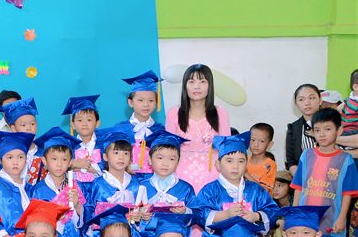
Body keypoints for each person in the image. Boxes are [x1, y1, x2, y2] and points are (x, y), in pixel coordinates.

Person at [291, 108, 358, 237]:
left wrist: (341, 218)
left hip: (332, 221)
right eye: (317, 130)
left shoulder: (346, 159)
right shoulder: (307, 155)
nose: (322, 134)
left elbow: (347, 193)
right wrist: (294, 215)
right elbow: (298, 187)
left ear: (339, 130)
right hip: (307, 221)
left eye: (327, 129)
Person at [191, 132, 279, 237]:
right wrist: (225, 215)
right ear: (218, 164)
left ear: (246, 164)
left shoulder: (256, 190)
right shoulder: (210, 190)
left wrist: (256, 216)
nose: (235, 166)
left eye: (241, 161)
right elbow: (198, 213)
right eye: (229, 161)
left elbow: (273, 211)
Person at [81, 124, 141, 237]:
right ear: (105, 156)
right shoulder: (98, 184)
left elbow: (142, 212)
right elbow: (88, 212)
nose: (121, 157)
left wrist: (139, 217)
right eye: (116, 153)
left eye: (126, 153)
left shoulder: (136, 184)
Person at [165, 64, 231, 193]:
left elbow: (225, 149)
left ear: (210, 85)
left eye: (202, 81)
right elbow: (168, 149)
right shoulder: (174, 113)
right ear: (185, 86)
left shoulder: (221, 113)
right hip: (180, 174)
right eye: (191, 81)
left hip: (213, 174)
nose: (197, 86)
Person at [132, 131, 195, 237]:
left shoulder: (185, 188)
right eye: (160, 158)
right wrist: (140, 216)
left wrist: (185, 211)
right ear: (149, 160)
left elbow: (197, 216)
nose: (165, 163)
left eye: (172, 159)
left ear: (178, 161)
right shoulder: (140, 186)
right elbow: (130, 216)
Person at [30, 127, 84, 237]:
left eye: (64, 159)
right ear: (44, 161)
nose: (59, 164)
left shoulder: (75, 186)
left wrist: (78, 205)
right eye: (54, 159)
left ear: (71, 162)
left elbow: (83, 219)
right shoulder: (38, 190)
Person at [116, 70, 164, 177]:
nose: (146, 104)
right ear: (131, 102)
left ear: (156, 103)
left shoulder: (159, 130)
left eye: (151, 100)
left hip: (153, 179)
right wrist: (125, 166)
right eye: (140, 100)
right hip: (127, 178)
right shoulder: (121, 128)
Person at [63, 94, 102, 196]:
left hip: (100, 192)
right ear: (72, 124)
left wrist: (91, 167)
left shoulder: (103, 144)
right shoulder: (69, 146)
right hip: (76, 193)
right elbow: (60, 167)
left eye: (89, 120)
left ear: (97, 123)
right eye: (80, 120)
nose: (84, 123)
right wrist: (72, 164)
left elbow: (110, 166)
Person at [1, 97, 44, 185]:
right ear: (13, 128)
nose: (29, 128)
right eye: (23, 125)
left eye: (32, 124)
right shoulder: (8, 154)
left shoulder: (44, 152)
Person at [284, 84, 321, 175]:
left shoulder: (333, 123)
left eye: (311, 98)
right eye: (301, 99)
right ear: (296, 104)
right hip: (304, 177)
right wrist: (301, 179)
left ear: (320, 100)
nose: (307, 103)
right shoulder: (293, 128)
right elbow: (291, 162)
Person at [246, 123, 277, 192]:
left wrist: (246, 174)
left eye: (261, 141)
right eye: (253, 140)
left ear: (269, 144)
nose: (256, 145)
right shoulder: (244, 160)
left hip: (261, 199)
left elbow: (265, 190)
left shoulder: (270, 165)